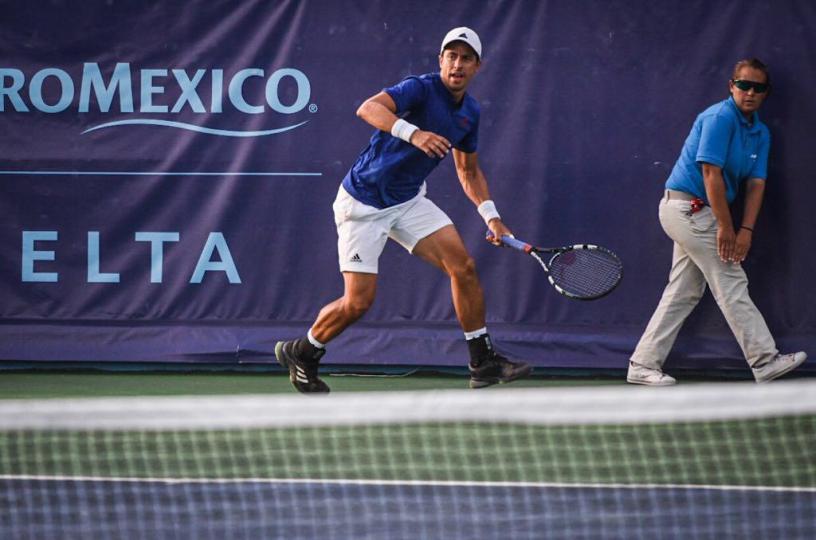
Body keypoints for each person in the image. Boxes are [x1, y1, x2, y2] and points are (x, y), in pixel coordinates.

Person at [275, 27, 532, 393]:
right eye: (451, 56)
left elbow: (468, 170)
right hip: (363, 202)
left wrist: (490, 215)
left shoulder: (469, 113)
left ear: (478, 66)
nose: (457, 64)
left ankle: (482, 362)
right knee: (358, 302)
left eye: (466, 58)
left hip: (408, 200)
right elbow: (368, 108)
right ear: (441, 60)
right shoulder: (420, 88)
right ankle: (305, 351)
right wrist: (414, 133)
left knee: (464, 267)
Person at [627, 58, 807, 386]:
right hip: (687, 210)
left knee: (683, 291)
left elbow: (756, 184)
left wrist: (746, 229)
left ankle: (642, 363)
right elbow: (711, 174)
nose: (750, 92)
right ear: (731, 86)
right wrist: (727, 228)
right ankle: (764, 360)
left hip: (703, 214)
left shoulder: (760, 133)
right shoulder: (719, 117)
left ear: (766, 93)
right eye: (744, 85)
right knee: (730, 280)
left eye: (758, 88)